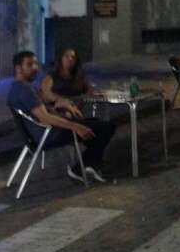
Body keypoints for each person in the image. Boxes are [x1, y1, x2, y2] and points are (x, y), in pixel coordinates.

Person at [7, 51, 116, 183]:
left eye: (36, 64)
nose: (35, 68)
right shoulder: (24, 90)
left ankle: (90, 165)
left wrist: (61, 106)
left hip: (45, 131)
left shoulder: (18, 88)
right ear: (18, 68)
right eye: (29, 65)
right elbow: (45, 118)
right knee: (106, 127)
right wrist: (76, 127)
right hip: (49, 134)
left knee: (96, 125)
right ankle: (82, 168)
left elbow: (43, 109)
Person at [40, 48, 91, 116]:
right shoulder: (52, 76)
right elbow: (46, 93)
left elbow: (89, 90)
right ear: (61, 59)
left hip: (77, 106)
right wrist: (61, 100)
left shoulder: (79, 77)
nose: (70, 59)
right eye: (67, 56)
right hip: (57, 107)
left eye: (73, 57)